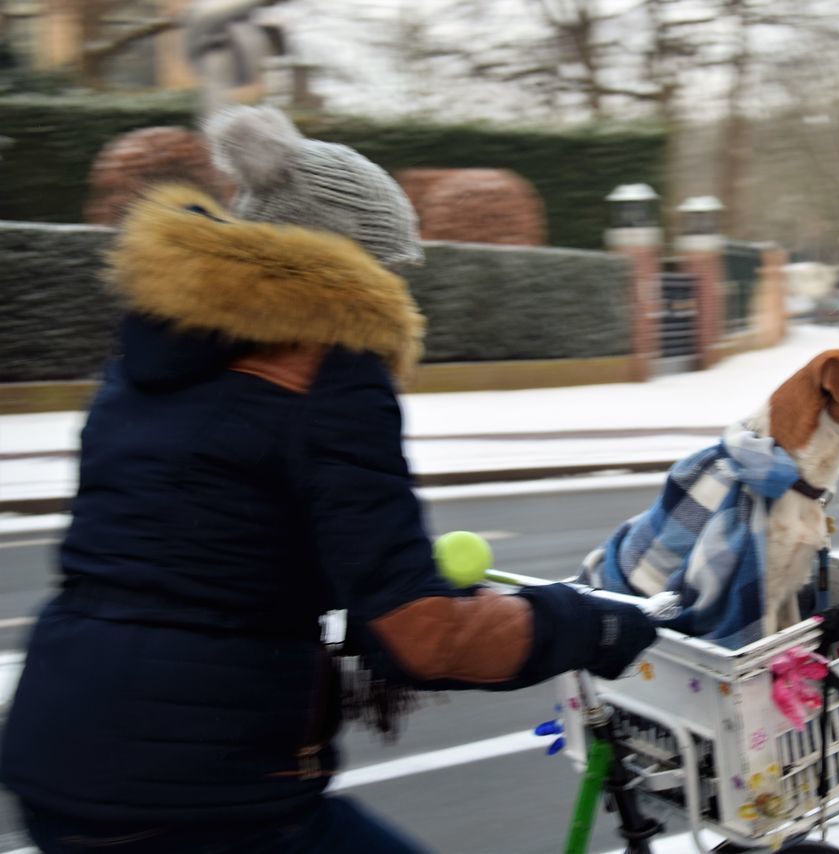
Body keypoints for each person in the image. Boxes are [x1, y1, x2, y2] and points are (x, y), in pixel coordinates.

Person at [0, 106, 656, 853]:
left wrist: (365, 574)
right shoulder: (333, 373)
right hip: (199, 792)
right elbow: (422, 638)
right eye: (393, 270)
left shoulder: (147, 361)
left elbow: (195, 549)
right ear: (351, 269)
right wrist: (588, 624)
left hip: (56, 749)